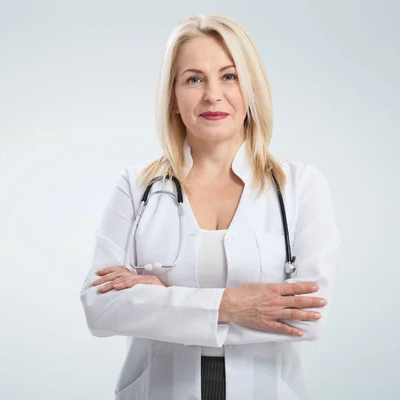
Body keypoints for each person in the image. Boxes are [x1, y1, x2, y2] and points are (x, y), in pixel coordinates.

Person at [79, 13, 340, 400]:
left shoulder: (300, 187)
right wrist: (231, 305)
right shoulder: (136, 188)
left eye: (229, 76)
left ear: (251, 90)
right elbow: (100, 310)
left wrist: (161, 300)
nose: (212, 94)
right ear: (173, 98)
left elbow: (307, 317)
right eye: (194, 79)